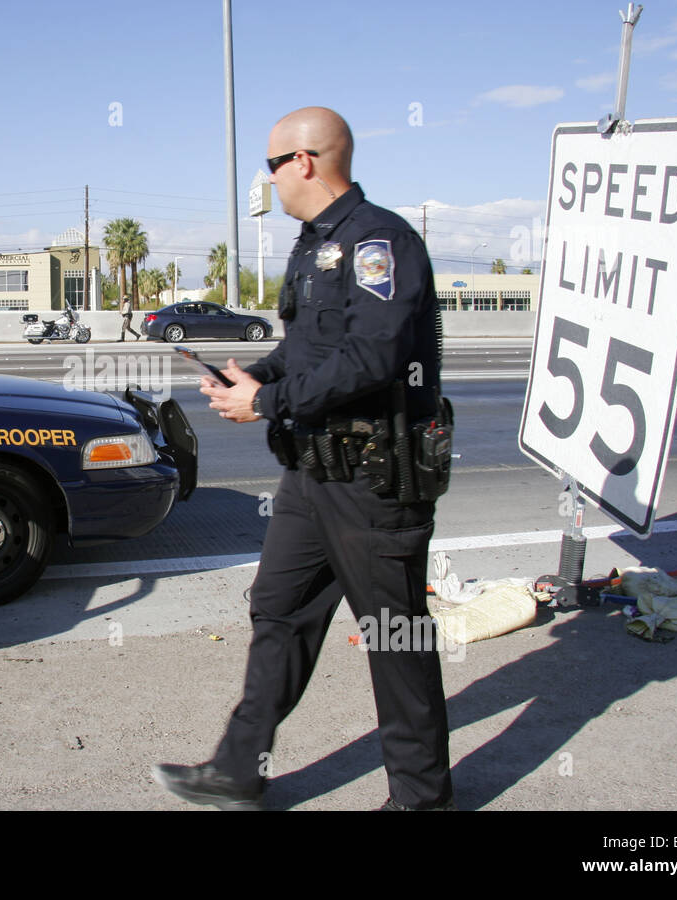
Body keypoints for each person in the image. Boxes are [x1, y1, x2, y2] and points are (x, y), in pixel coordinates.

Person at [152, 107, 454, 810]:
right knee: (278, 611)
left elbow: (375, 357)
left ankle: (422, 799)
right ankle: (236, 769)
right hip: (310, 473)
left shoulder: (381, 240)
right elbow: (308, 350)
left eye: (271, 165)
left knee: (394, 637)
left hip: (375, 482)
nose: (267, 181)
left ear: (306, 162)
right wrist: (253, 375)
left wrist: (266, 403)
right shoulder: (312, 246)